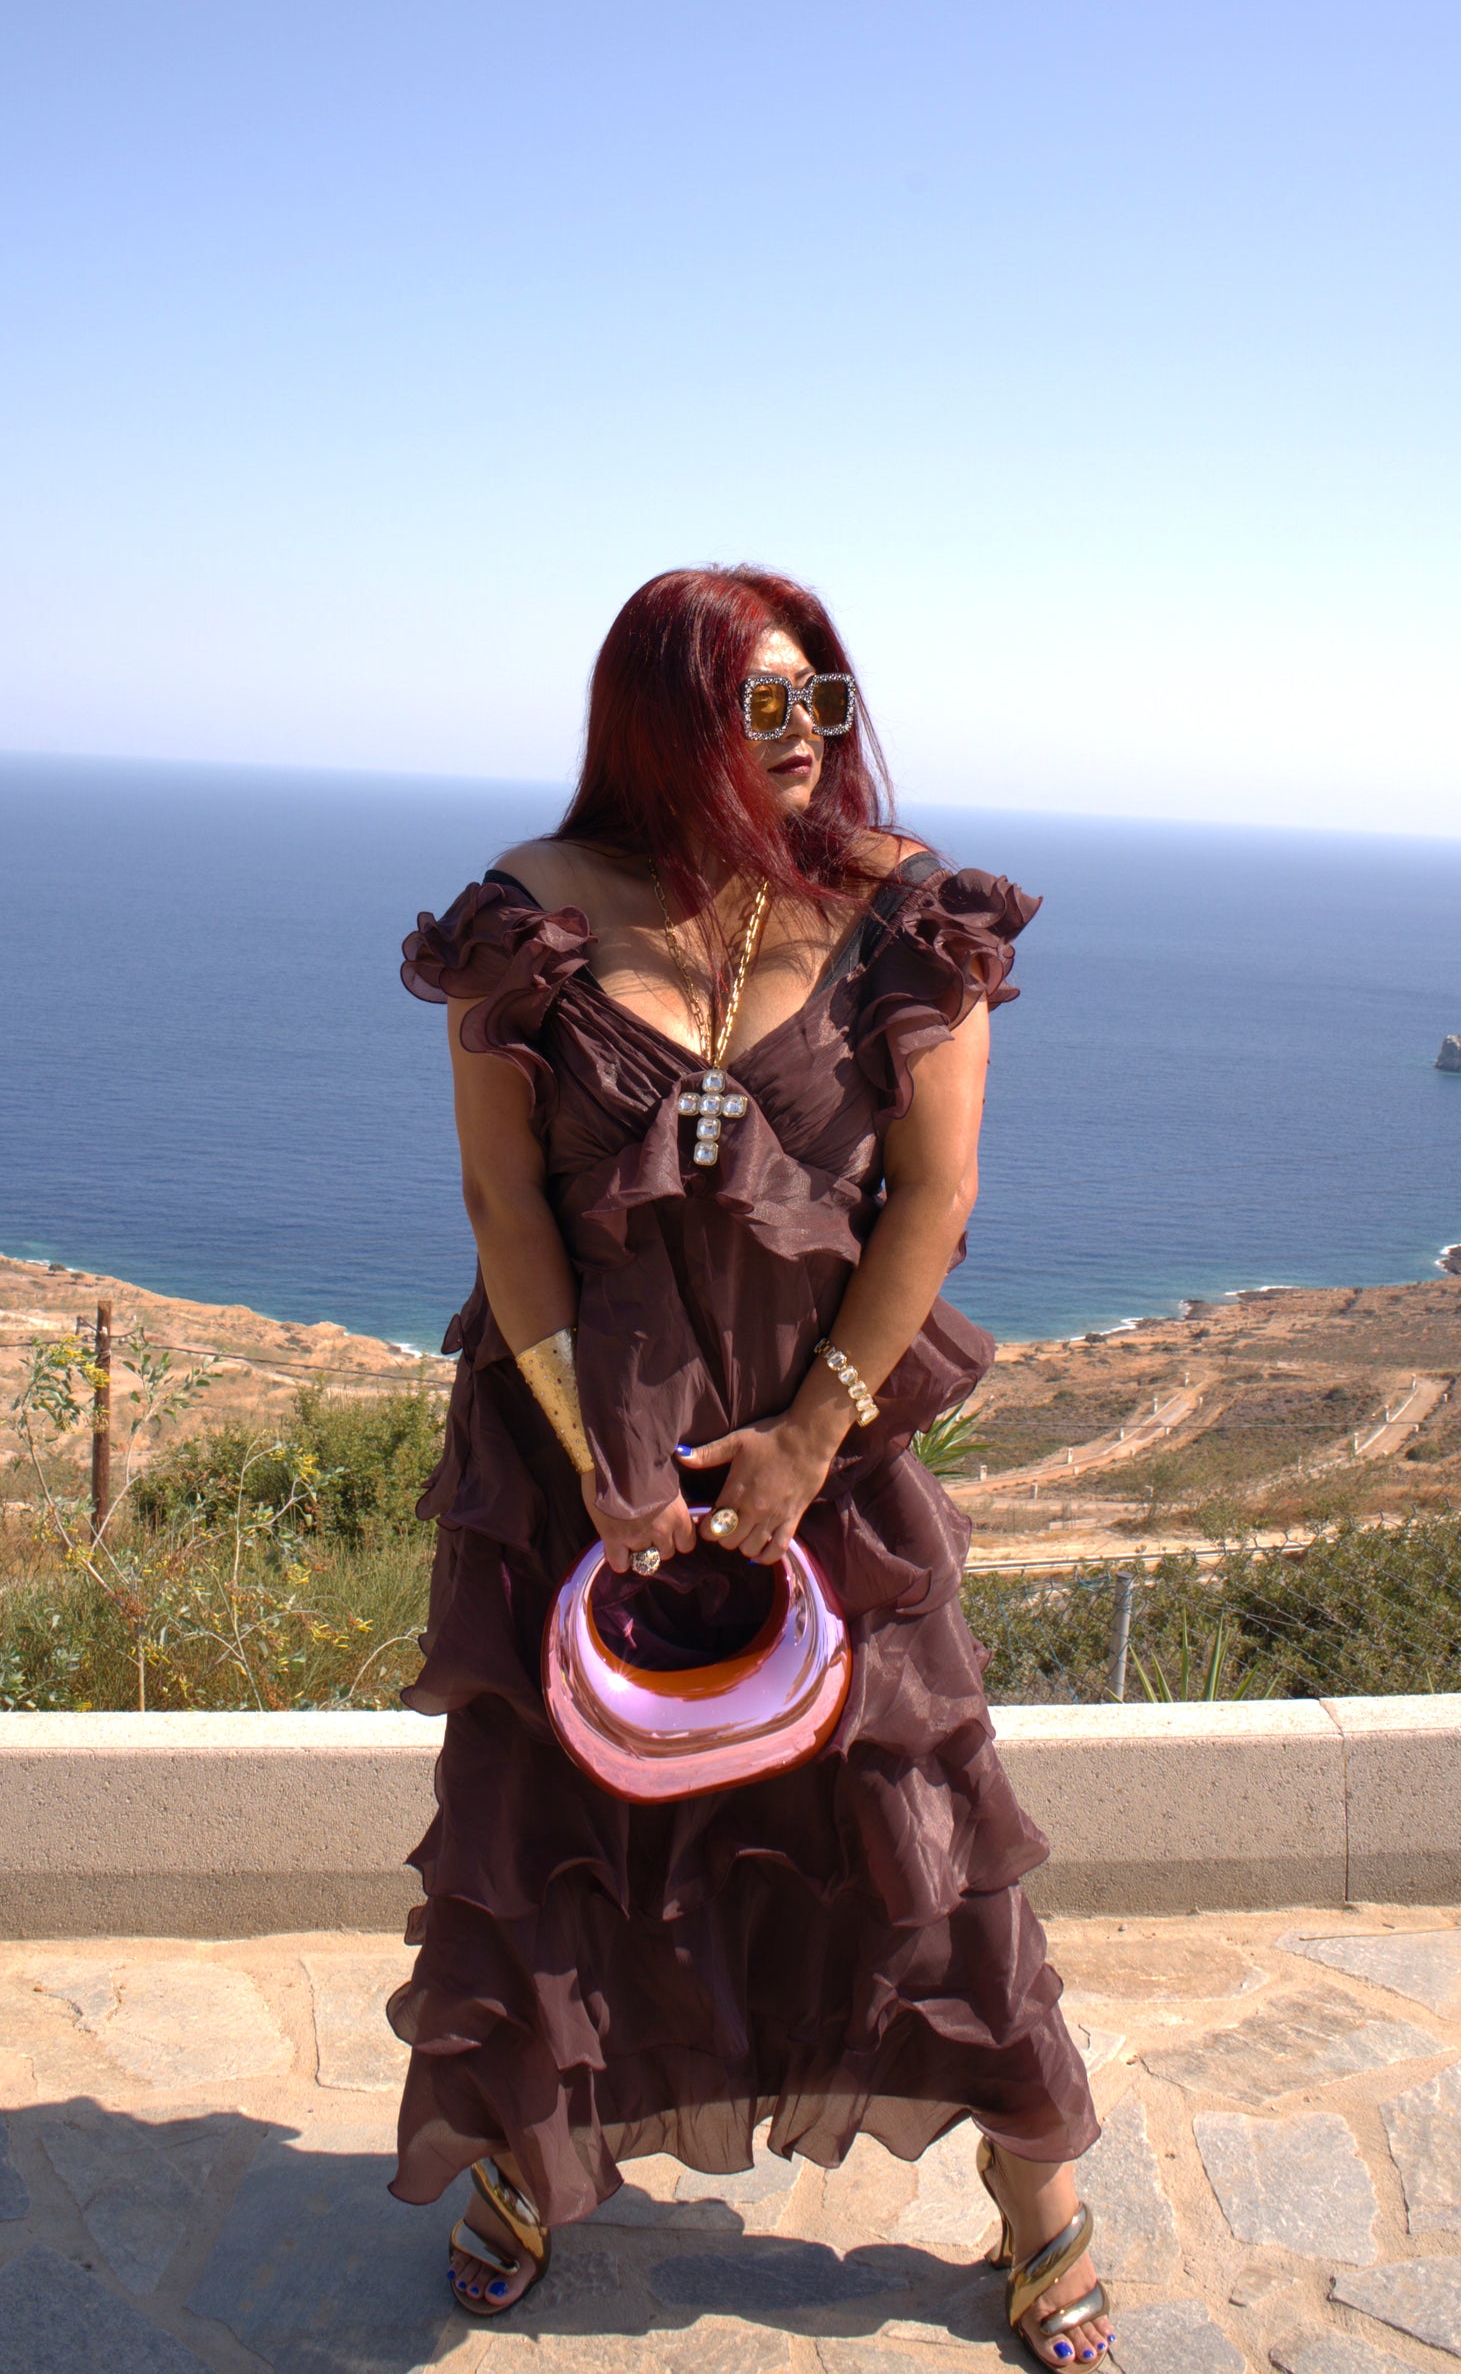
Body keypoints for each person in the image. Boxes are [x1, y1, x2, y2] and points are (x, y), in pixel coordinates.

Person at [389, 565, 1109, 2368]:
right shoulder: (525, 926)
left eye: (821, 698)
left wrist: (806, 1436)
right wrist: (600, 1462)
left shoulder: (909, 914)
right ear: (662, 720)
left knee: (916, 1839)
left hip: (831, 1465)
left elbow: (936, 1191)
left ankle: (1041, 2200)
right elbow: (502, 1204)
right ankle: (530, 2160)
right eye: (759, 703)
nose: (803, 736)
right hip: (582, 1467)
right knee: (570, 1839)